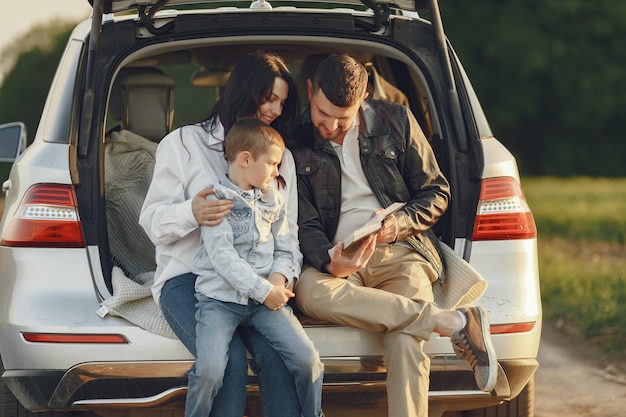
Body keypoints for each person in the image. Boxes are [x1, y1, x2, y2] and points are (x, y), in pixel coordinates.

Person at [289, 53, 497, 417]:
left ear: (364, 95)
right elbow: (302, 222)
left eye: (343, 117)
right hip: (336, 257)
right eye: (323, 115)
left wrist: (396, 224)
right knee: (308, 292)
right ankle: (453, 322)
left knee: (405, 340)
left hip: (400, 253)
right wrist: (327, 259)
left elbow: (437, 192)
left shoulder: (396, 120)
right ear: (310, 91)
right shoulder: (293, 138)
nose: (331, 126)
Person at [139, 51, 304, 417]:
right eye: (269, 98)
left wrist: (279, 277)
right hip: (189, 279)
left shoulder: (281, 159)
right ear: (246, 92)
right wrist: (191, 212)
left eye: (282, 102)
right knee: (227, 364)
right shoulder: (183, 144)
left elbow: (287, 235)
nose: (276, 110)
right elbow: (151, 221)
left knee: (281, 357)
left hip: (259, 280)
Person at [187, 118, 323, 417]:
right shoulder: (216, 199)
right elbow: (223, 258)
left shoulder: (273, 199)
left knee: (308, 361)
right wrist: (264, 291)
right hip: (220, 301)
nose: (277, 171)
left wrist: (277, 280)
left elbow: (285, 246)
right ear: (246, 159)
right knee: (209, 371)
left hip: (264, 303)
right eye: (273, 164)